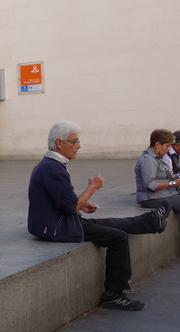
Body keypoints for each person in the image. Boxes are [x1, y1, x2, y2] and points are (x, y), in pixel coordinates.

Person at [27, 120, 170, 311]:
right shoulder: (52, 167)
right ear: (60, 143)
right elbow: (69, 206)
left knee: (112, 223)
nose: (79, 146)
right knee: (117, 237)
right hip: (57, 228)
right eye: (75, 142)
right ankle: (113, 294)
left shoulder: (50, 165)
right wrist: (91, 188)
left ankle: (152, 220)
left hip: (55, 222)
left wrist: (82, 204)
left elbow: (62, 201)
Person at [135, 128, 180, 211]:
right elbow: (149, 185)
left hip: (164, 194)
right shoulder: (148, 160)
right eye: (167, 146)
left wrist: (177, 176)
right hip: (151, 198)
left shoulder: (157, 157)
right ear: (157, 145)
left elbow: (161, 177)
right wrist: (174, 183)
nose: (169, 149)